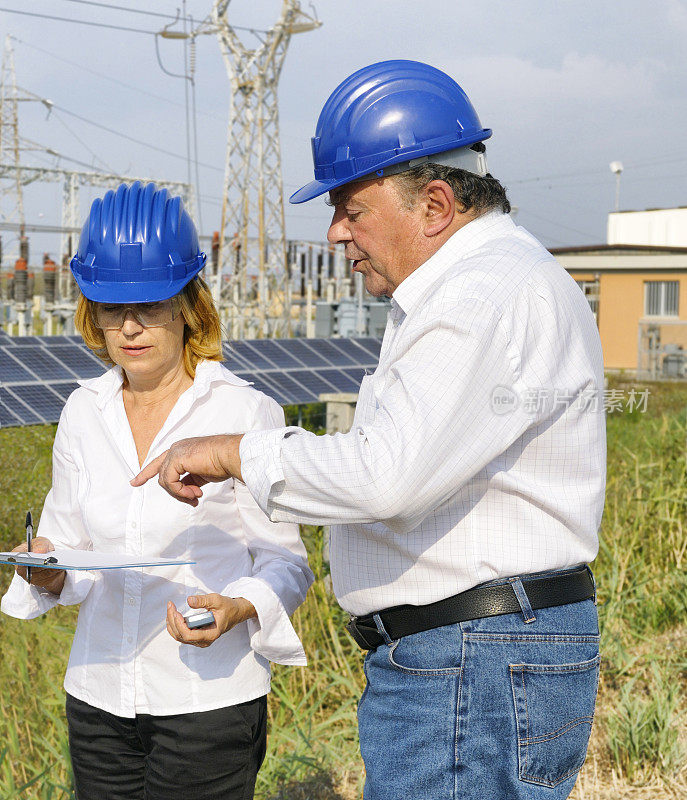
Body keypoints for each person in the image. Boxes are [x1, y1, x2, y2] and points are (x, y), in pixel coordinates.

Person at [134, 61, 606, 800]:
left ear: (436, 204)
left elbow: (384, 476)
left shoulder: (475, 296)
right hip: (482, 649)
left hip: (468, 657)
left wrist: (231, 451)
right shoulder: (497, 280)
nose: (335, 233)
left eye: (352, 210)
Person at [1, 181, 314, 800]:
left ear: (186, 305)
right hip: (98, 697)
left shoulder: (246, 414)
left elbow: (286, 564)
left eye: (149, 304)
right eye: (113, 308)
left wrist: (238, 608)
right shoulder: (82, 410)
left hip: (207, 700)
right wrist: (46, 568)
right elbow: (70, 542)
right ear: (92, 311)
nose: (131, 326)